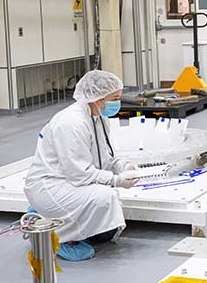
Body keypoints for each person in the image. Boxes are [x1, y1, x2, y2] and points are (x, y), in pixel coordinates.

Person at [24, 70, 139, 262]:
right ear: (98, 98)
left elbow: (105, 158)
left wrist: (123, 166)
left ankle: (55, 217)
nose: (117, 103)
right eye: (114, 98)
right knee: (106, 196)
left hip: (70, 182)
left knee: (106, 232)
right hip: (51, 185)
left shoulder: (99, 118)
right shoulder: (71, 123)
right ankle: (56, 236)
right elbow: (79, 173)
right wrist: (116, 180)